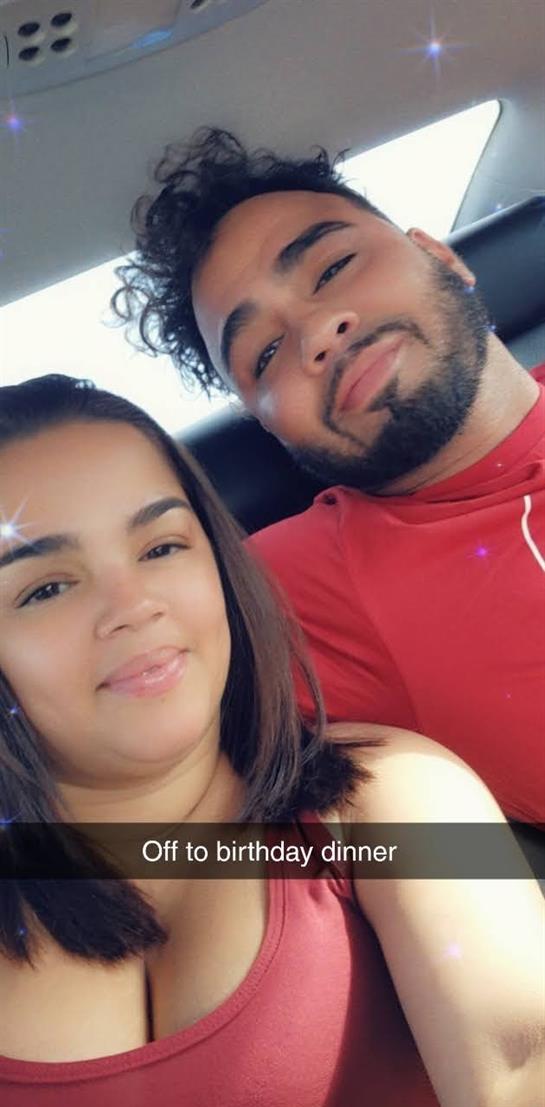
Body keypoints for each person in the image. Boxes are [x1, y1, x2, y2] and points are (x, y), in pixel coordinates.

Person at [0, 374, 543, 1107]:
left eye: (161, 546)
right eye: (44, 589)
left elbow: (523, 1058)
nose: (134, 607)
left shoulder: (395, 795)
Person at [113, 128, 545, 826]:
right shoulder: (288, 588)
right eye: (267, 351)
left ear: (438, 254)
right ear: (269, 425)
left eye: (331, 267)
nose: (316, 332)